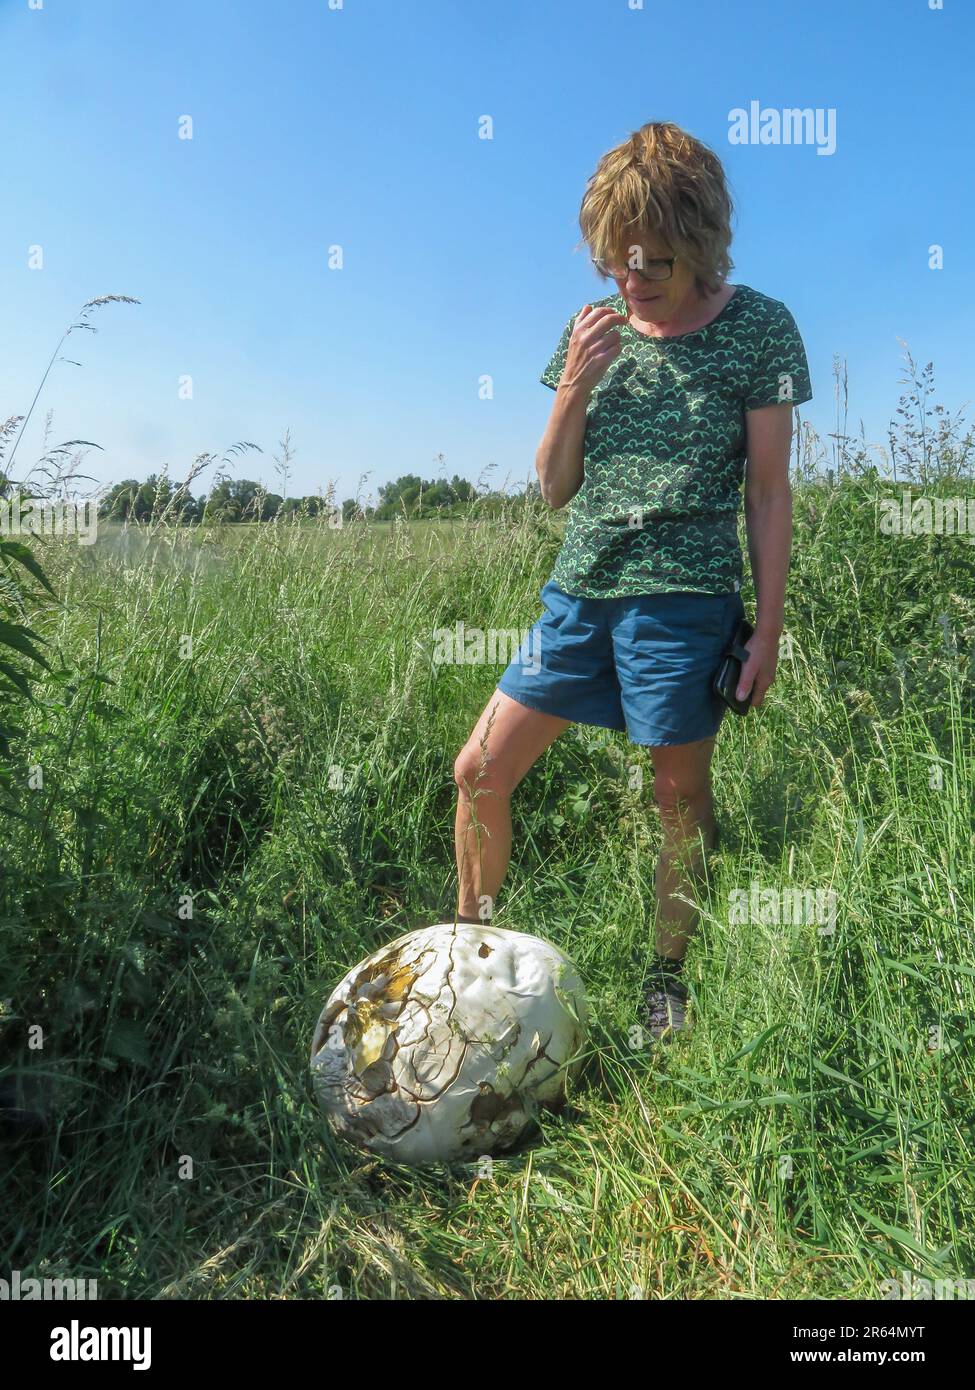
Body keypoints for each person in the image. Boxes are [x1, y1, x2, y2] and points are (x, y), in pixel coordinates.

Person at [452, 120, 812, 1040]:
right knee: (480, 770)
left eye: (651, 258)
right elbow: (551, 487)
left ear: (699, 240)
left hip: (685, 603)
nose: (631, 278)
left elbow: (766, 494)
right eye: (615, 259)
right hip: (578, 594)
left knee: (678, 799)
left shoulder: (757, 327)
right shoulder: (593, 328)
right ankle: (470, 961)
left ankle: (665, 980)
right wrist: (573, 385)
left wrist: (765, 630)